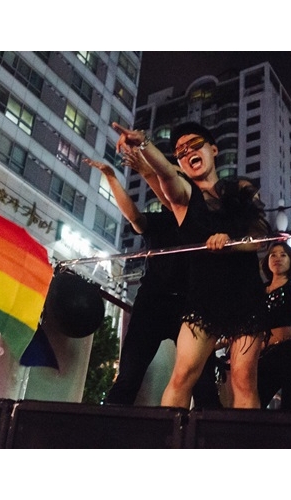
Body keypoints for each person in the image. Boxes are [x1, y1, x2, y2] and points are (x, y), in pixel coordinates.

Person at [113, 120, 272, 409]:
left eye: (195, 145)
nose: (188, 152)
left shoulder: (241, 187)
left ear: (213, 149)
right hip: (203, 297)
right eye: (180, 152)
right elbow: (164, 173)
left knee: (243, 380)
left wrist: (230, 243)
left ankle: (246, 439)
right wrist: (144, 144)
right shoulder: (184, 196)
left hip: (245, 294)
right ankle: (171, 435)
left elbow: (260, 238)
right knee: (182, 376)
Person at [82, 155, 221, 409]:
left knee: (203, 384)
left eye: (179, 177)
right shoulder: (161, 219)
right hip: (153, 302)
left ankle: (208, 432)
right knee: (128, 377)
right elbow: (134, 217)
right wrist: (111, 178)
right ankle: (106, 428)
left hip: (192, 305)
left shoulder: (203, 220)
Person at [258, 242, 291, 409]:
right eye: (273, 255)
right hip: (261, 354)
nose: (278, 258)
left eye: (283, 255)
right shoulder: (259, 291)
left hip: (286, 352)